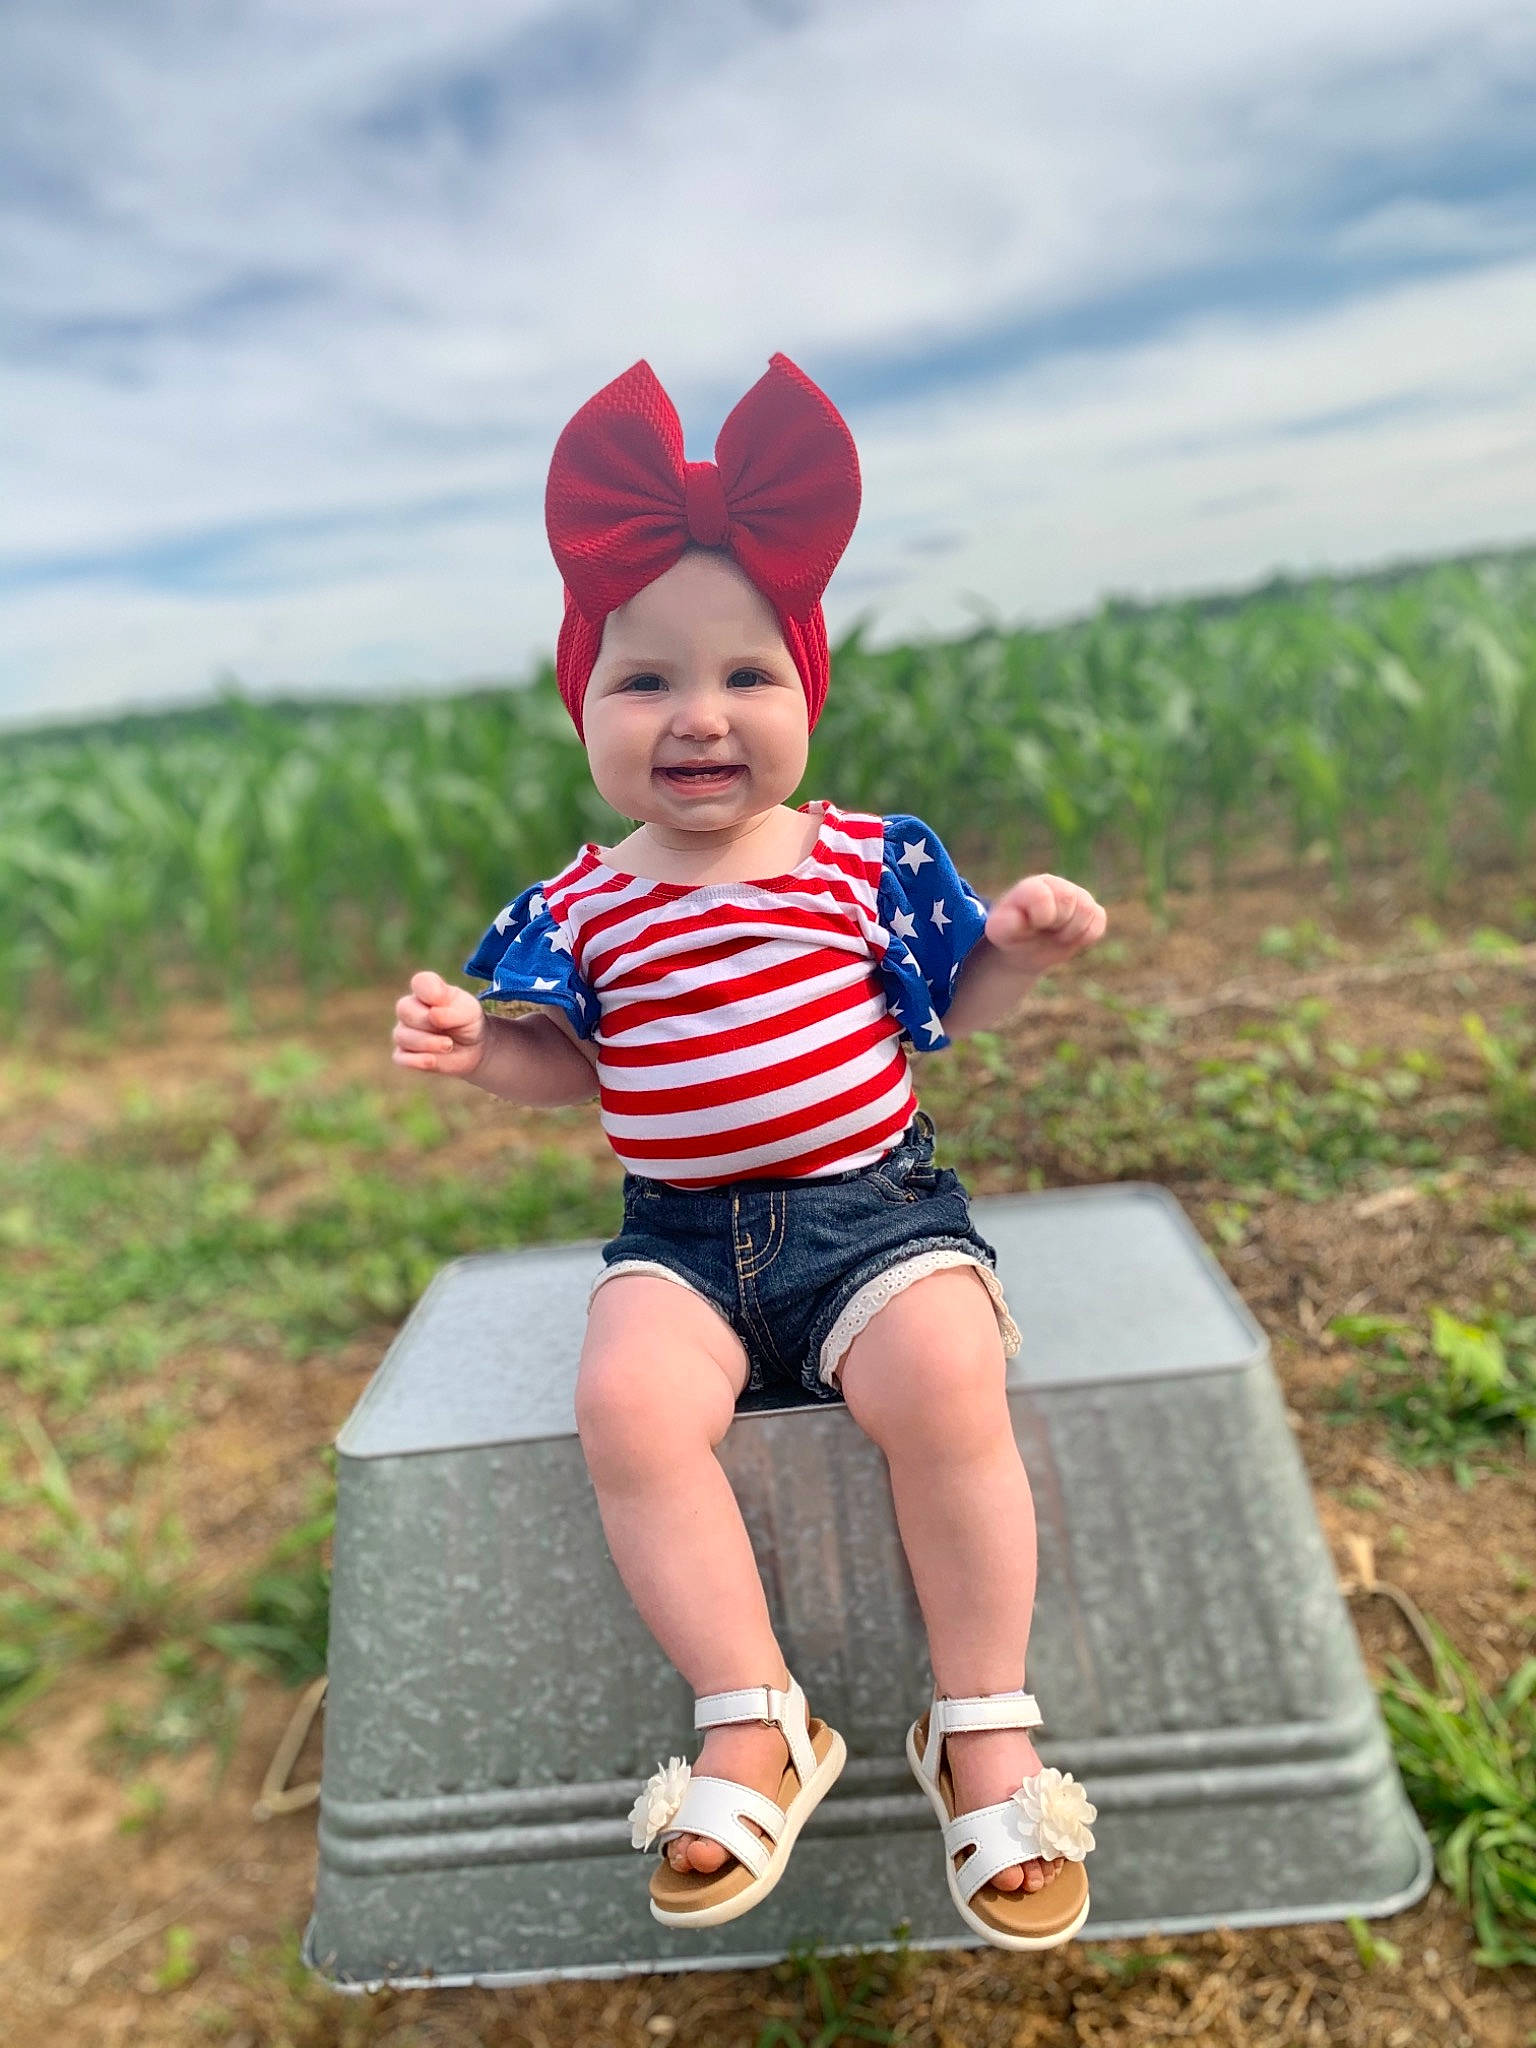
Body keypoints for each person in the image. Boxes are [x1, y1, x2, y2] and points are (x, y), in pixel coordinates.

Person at [391, 355, 1107, 1952]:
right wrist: (475, 1046)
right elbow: (565, 1070)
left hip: (873, 1219)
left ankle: (983, 1721)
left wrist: (1016, 945)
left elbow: (948, 1007)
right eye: (642, 681)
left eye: (742, 677)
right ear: (584, 707)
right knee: (626, 1405)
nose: (696, 715)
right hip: (682, 1239)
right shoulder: (582, 905)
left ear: (805, 694)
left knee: (944, 1381)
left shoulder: (861, 859)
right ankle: (753, 1715)